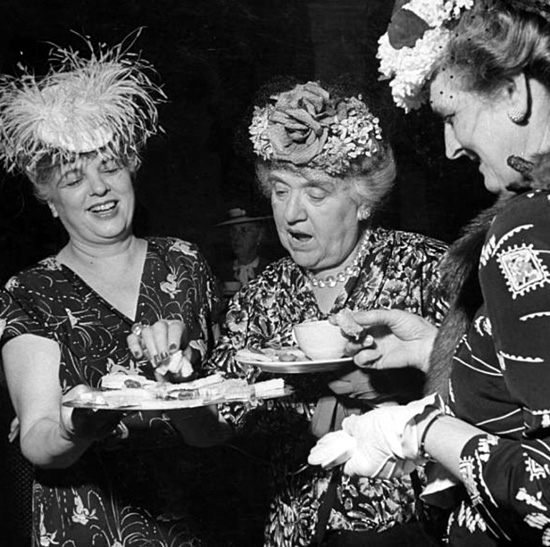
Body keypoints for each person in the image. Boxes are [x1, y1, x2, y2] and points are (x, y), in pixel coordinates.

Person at [308, 0, 550, 545]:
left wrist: (415, 429)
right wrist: (435, 348)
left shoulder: (527, 228)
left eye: (451, 116)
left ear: (515, 91)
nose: (449, 147)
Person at [0, 34, 231, 546]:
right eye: (74, 178)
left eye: (109, 167)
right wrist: (78, 427)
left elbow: (215, 432)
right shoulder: (28, 291)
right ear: (50, 200)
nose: (99, 188)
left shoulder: (185, 261)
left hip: (193, 523)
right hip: (86, 527)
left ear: (131, 170)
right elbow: (37, 439)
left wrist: (183, 389)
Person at [206, 80, 449, 546]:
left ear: (362, 201)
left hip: (408, 530)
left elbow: (492, 397)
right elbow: (216, 424)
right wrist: (177, 392)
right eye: (280, 191)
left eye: (315, 194)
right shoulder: (262, 295)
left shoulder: (425, 268)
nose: (292, 213)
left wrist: (390, 392)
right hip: (293, 532)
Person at [214, 203, 273, 297]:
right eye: (233, 231)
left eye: (244, 230)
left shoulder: (271, 271)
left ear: (259, 236)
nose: (236, 237)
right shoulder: (219, 274)